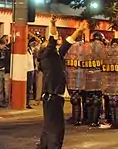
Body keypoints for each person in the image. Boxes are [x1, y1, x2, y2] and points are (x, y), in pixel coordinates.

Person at [37, 16, 87, 149]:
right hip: (52, 97)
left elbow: (68, 42)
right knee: (56, 130)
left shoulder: (55, 55)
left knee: (50, 127)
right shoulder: (48, 54)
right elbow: (53, 37)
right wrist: (52, 23)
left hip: (52, 97)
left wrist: (79, 30)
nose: (56, 40)